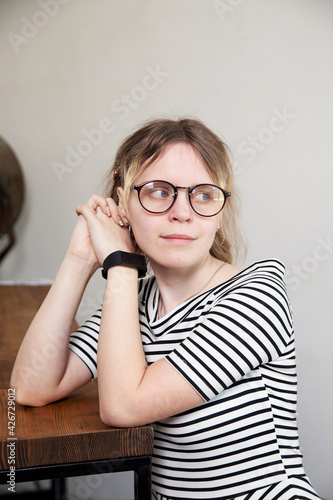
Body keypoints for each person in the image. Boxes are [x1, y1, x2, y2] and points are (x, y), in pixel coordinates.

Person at [11, 118, 321, 500]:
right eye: (160, 191)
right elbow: (30, 386)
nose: (182, 212)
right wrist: (80, 259)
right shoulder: (135, 302)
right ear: (123, 204)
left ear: (221, 211)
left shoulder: (258, 294)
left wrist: (121, 262)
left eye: (203, 194)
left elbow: (123, 407)